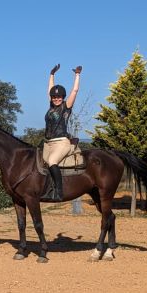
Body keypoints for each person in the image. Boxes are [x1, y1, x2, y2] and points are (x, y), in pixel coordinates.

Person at [43, 63, 81, 201]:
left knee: (52, 161)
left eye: (59, 97)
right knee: (40, 164)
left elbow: (75, 91)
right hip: (48, 143)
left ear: (63, 97)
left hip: (61, 142)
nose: (56, 98)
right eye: (54, 97)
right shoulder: (51, 106)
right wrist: (51, 74)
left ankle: (59, 192)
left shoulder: (66, 106)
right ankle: (46, 189)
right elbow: (50, 90)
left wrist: (77, 75)